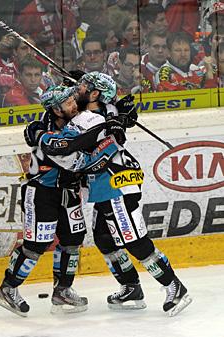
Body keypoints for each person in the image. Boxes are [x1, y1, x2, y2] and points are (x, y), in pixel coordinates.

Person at [26, 72, 193, 317]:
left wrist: (42, 136)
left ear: (93, 94)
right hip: (104, 185)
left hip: (115, 182)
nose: (76, 89)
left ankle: (174, 287)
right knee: (104, 238)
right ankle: (131, 287)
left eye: (82, 86)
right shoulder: (92, 113)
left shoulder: (91, 117)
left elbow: (83, 147)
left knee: (134, 240)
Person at [0, 85, 112, 317]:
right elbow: (64, 147)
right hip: (42, 192)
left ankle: (63, 290)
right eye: (68, 103)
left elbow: (98, 115)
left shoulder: (77, 119)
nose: (73, 105)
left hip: (68, 191)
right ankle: (8, 288)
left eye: (72, 100)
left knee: (73, 239)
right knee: (36, 245)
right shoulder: (44, 130)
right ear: (56, 110)